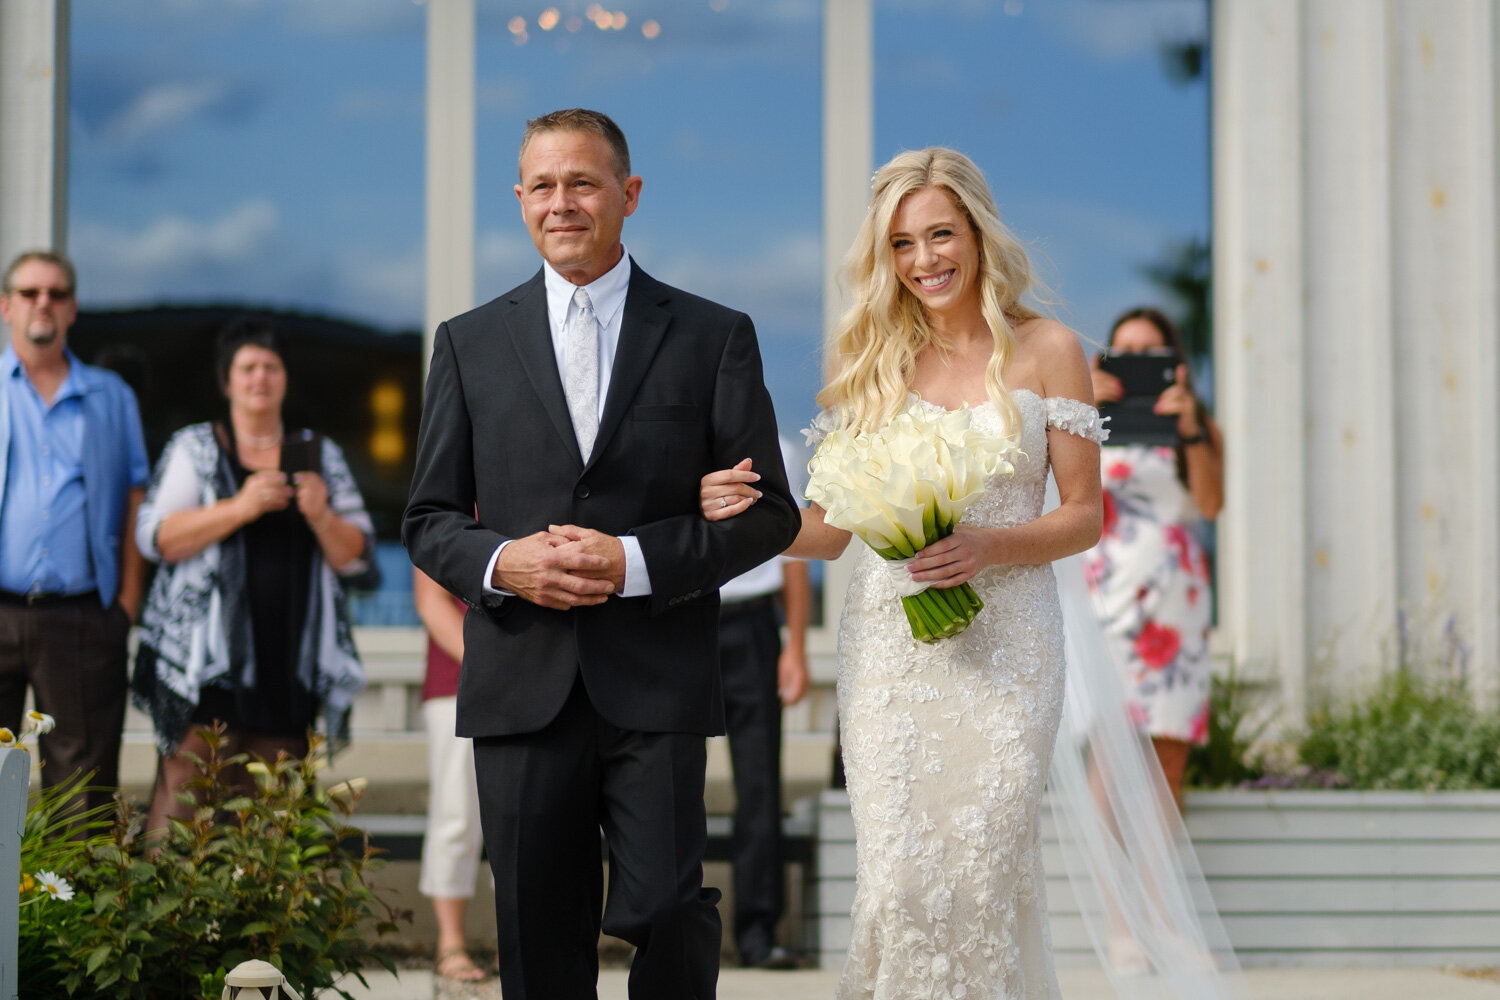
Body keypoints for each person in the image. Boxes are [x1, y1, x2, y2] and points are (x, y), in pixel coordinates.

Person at [701, 148, 1246, 998]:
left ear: (980, 235)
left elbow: (1082, 516)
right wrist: (751, 518)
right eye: (903, 245)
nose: (925, 260)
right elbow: (834, 533)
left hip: (1009, 653)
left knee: (982, 881)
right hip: (891, 657)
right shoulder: (870, 365)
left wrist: (990, 547)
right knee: (900, 885)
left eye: (941, 234)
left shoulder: (1049, 349)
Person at [402, 108, 800, 1000]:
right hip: (519, 687)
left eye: (582, 182)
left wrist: (634, 560)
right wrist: (509, 563)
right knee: (538, 939)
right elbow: (428, 518)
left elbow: (770, 515)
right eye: (542, 186)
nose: (562, 203)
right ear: (518, 201)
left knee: (666, 909)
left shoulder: (711, 335)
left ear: (628, 194)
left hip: (655, 678)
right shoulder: (467, 344)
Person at [132, 316, 371, 836]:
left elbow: (357, 557)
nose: (259, 377)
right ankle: (164, 921)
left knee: (268, 827)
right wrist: (239, 507)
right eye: (247, 367)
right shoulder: (196, 447)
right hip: (203, 670)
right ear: (227, 380)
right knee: (181, 809)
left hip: (288, 668)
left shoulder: (317, 454)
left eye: (271, 366)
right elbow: (155, 538)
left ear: (285, 378)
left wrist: (323, 516)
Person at [0, 249, 149, 816]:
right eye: (32, 292)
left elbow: (137, 497)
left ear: (73, 309)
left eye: (57, 294)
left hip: (83, 617)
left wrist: (126, 604)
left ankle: (76, 907)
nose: (45, 303)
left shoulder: (111, 397)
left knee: (81, 793)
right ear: (6, 306)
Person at [1085, 307, 1224, 808]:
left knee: (1167, 754)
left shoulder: (1198, 425)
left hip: (1173, 597)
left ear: (1174, 362)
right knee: (1108, 746)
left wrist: (1189, 427)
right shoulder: (1088, 422)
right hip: (1106, 597)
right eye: (1126, 353)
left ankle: (1157, 888)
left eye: (1151, 354)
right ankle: (1110, 889)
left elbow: (1210, 505)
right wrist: (1084, 410)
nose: (1137, 362)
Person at [717, 436, 810, 970]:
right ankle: (665, 923)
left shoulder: (776, 448)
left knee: (759, 784)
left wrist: (795, 646)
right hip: (681, 617)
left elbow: (793, 550)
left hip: (753, 623)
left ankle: (758, 931)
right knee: (663, 776)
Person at [412, 567, 489, 983]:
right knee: (456, 813)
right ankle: (450, 942)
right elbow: (430, 599)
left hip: (544, 680)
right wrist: (496, 662)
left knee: (531, 816)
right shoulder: (453, 502)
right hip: (457, 681)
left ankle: (523, 943)